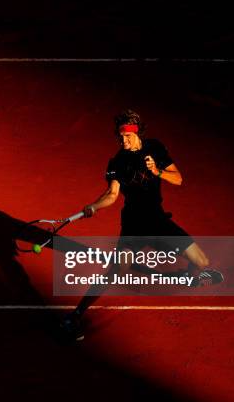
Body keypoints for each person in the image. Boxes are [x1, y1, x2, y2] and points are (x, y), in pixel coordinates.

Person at [61, 109, 223, 341]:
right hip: (133, 227)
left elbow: (178, 178)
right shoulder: (117, 162)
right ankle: (77, 313)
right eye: (120, 136)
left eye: (127, 136)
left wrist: (157, 171)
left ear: (137, 133)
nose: (122, 140)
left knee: (202, 262)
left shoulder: (155, 149)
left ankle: (188, 274)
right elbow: (111, 193)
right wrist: (94, 206)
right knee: (116, 270)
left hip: (158, 222)